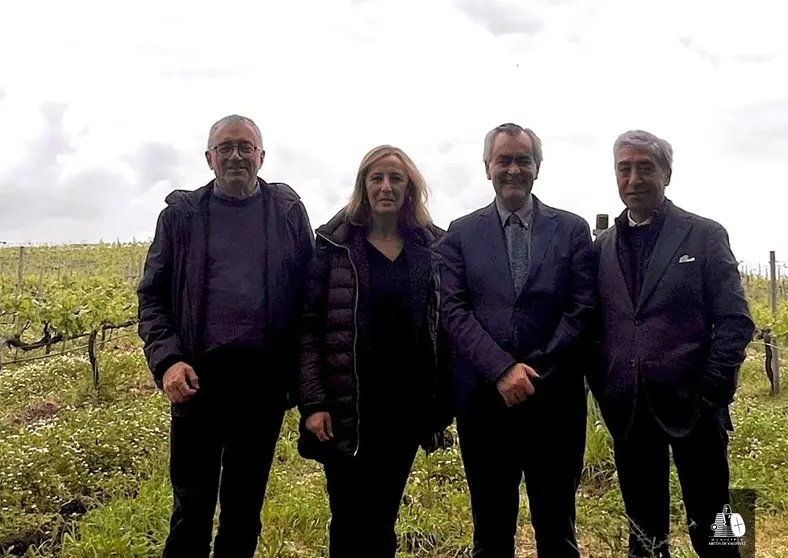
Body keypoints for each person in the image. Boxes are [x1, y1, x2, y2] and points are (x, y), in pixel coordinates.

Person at [137, 114, 315, 558]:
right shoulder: (182, 216)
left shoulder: (286, 211)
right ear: (209, 158)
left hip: (263, 386)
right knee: (191, 505)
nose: (236, 156)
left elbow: (309, 295)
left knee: (244, 506)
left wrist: (305, 382)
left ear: (261, 156)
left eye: (245, 147)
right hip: (197, 382)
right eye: (226, 148)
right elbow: (153, 298)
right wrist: (167, 361)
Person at [587, 130, 755, 557]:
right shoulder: (601, 247)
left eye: (645, 167)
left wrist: (712, 388)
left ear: (667, 173)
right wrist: (606, 388)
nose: (634, 178)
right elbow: (594, 325)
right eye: (624, 168)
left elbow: (735, 319)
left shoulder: (703, 234)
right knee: (645, 536)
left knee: (718, 531)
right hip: (630, 411)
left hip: (696, 407)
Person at [438, 123, 596, 557]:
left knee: (557, 529)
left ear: (537, 168)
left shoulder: (571, 230)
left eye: (522, 160)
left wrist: (536, 368)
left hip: (555, 402)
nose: (513, 169)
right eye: (503, 159)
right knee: (490, 530)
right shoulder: (461, 233)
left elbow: (581, 308)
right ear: (487, 166)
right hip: (485, 403)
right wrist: (502, 369)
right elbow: (452, 311)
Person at [296, 145, 454, 557]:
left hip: (404, 410)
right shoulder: (334, 247)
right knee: (348, 519)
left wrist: (440, 403)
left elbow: (444, 326)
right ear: (363, 187)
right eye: (376, 178)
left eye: (395, 179)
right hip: (347, 408)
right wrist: (313, 402)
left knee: (383, 518)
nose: (386, 186)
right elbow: (309, 326)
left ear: (410, 189)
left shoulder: (433, 248)